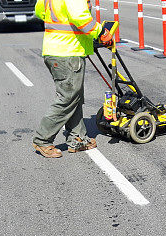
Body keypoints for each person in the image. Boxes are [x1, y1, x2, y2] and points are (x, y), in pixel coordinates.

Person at [32, 0, 114, 158]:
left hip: (54, 49)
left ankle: (77, 139)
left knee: (74, 97)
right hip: (67, 52)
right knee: (67, 98)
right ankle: (42, 139)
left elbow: (39, 11)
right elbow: (80, 18)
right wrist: (102, 32)